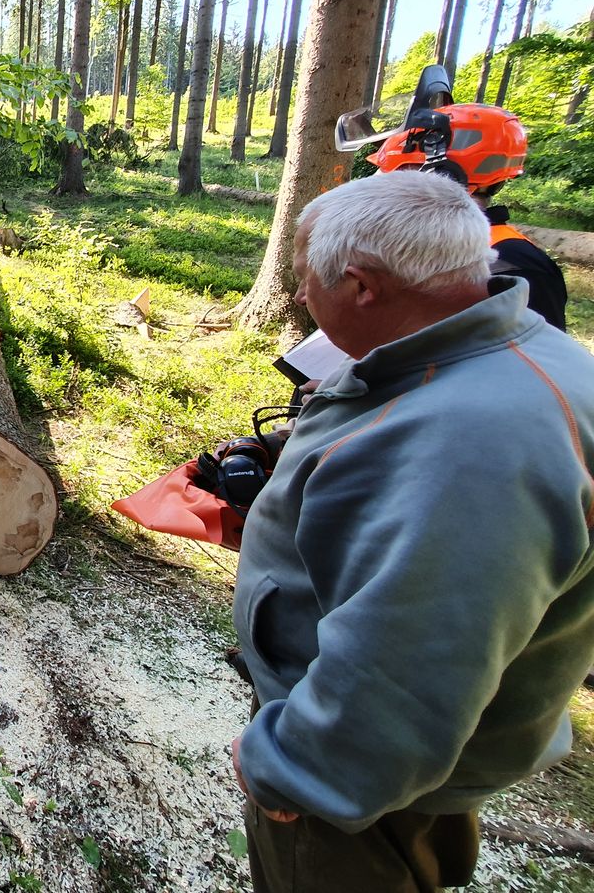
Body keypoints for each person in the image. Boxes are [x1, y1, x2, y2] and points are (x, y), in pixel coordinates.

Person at [230, 170, 594, 892]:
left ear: (363, 286)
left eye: (307, 280)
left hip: (356, 796)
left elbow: (404, 674)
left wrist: (292, 770)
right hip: (425, 769)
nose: (300, 296)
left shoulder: (471, 449)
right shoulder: (502, 356)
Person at [370, 100, 568, 330]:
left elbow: (533, 358)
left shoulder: (512, 262)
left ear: (442, 176)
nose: (386, 187)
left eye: (399, 173)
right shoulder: (427, 242)